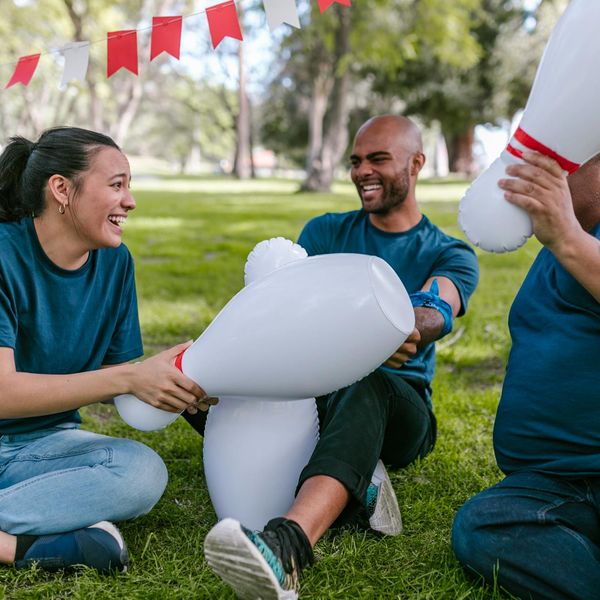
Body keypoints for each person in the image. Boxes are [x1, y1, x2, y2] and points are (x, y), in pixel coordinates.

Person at [198, 115, 479, 599]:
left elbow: (435, 309)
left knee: (360, 379)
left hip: (398, 406)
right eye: (355, 161)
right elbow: (282, 310)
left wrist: (403, 326)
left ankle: (288, 546)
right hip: (312, 392)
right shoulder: (325, 233)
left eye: (378, 159)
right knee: (211, 386)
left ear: (416, 163)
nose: (362, 171)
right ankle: (359, 480)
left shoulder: (448, 252)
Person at [0, 127, 209, 574]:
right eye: (116, 185)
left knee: (142, 472)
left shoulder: (116, 263)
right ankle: (17, 549)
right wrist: (127, 378)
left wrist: (182, 380)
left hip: (45, 447)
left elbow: (117, 375)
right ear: (61, 189)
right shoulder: (3, 255)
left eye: (128, 185)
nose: (130, 201)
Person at [452, 151, 600, 600]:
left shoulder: (574, 240)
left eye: (567, 163)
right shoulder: (561, 244)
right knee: (483, 526)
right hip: (556, 483)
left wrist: (568, 237)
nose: (548, 175)